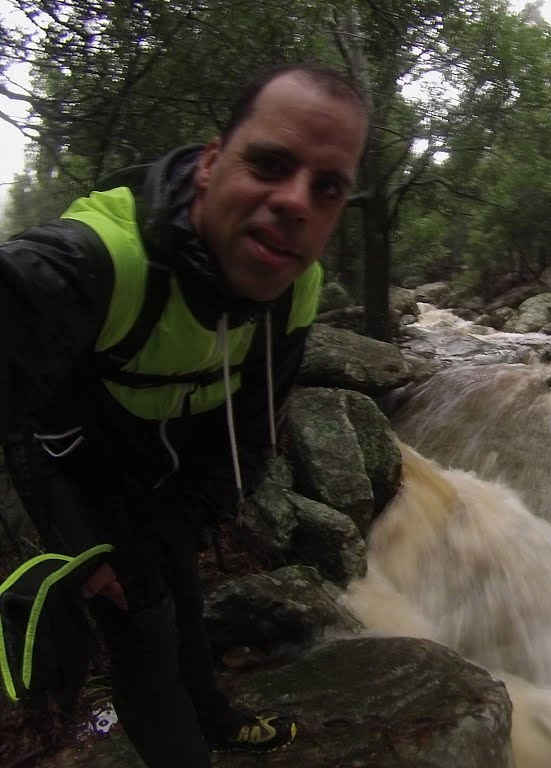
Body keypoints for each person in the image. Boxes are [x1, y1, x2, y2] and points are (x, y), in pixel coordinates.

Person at [0, 62, 369, 766]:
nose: (296, 202)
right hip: (79, 476)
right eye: (269, 162)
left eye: (327, 188)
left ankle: (220, 718)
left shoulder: (297, 286)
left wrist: (190, 520)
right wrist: (80, 545)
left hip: (170, 473)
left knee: (182, 593)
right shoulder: (100, 261)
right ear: (209, 165)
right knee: (143, 625)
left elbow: (256, 429)